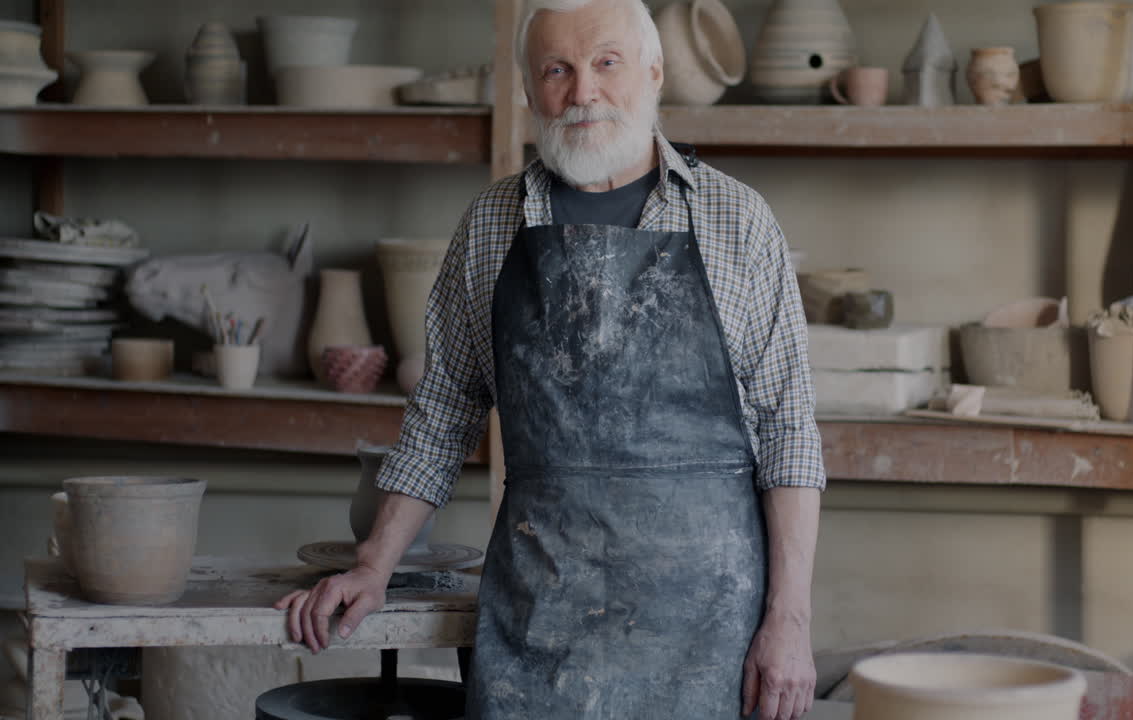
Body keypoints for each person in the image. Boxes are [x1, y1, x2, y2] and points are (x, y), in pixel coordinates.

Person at [275, 0, 825, 717]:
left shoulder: (736, 219)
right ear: (532, 93)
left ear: (654, 72)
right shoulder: (491, 223)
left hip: (709, 634)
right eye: (557, 70)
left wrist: (790, 621)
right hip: (541, 624)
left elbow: (788, 432)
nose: (582, 92)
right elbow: (442, 413)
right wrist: (373, 566)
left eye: (606, 63)